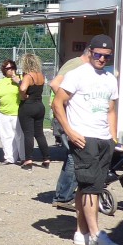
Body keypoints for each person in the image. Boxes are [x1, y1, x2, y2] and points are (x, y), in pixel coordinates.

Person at [52, 35, 119, 245]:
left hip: (103, 138)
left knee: (87, 186)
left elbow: (111, 110)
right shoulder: (76, 74)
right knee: (92, 187)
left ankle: (81, 233)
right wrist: (70, 132)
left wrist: (113, 137)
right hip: (83, 137)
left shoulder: (110, 79)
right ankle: (96, 235)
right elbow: (57, 103)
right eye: (98, 54)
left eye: (107, 56)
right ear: (90, 52)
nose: (102, 59)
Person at [50, 48, 91, 210]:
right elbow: (54, 84)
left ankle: (63, 195)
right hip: (67, 118)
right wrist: (69, 102)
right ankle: (64, 197)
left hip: (72, 118)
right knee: (75, 156)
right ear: (90, 52)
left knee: (72, 157)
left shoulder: (82, 66)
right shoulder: (76, 64)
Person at [17, 52, 50, 167]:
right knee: (39, 134)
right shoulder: (41, 75)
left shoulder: (28, 76)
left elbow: (23, 88)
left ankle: (28, 159)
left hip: (28, 106)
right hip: (39, 105)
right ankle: (46, 158)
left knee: (28, 134)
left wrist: (23, 96)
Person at [0, 59, 24, 165]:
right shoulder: (0, 82)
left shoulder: (20, 79)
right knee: (6, 136)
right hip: (3, 113)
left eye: (12, 68)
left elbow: (25, 92)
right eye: (8, 68)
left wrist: (18, 81)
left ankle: (23, 157)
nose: (10, 70)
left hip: (17, 112)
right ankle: (9, 158)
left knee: (19, 136)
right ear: (4, 70)